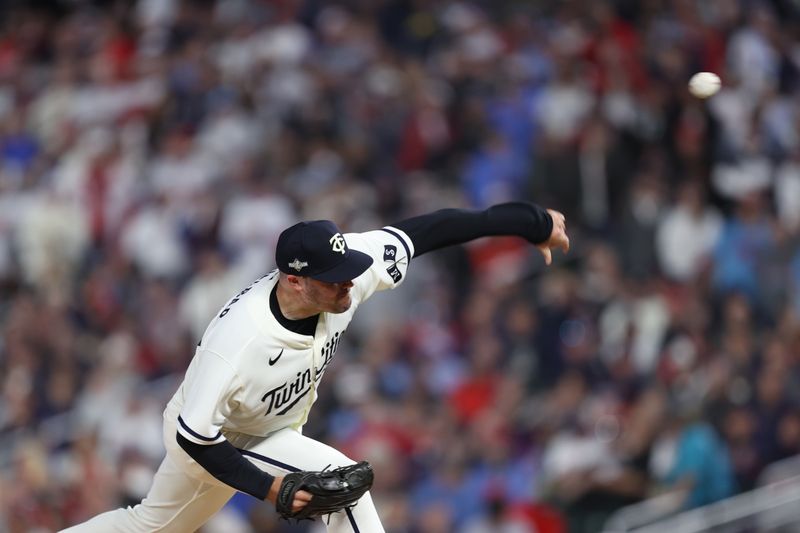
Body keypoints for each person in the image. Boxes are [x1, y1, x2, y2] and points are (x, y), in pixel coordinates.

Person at [62, 202, 570, 533]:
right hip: (213, 436)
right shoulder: (238, 339)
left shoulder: (345, 274)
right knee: (153, 527)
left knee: (343, 490)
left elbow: (427, 230)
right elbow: (197, 438)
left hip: (270, 427)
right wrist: (270, 488)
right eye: (334, 280)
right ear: (295, 281)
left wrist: (530, 223)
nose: (349, 285)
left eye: (347, 272)